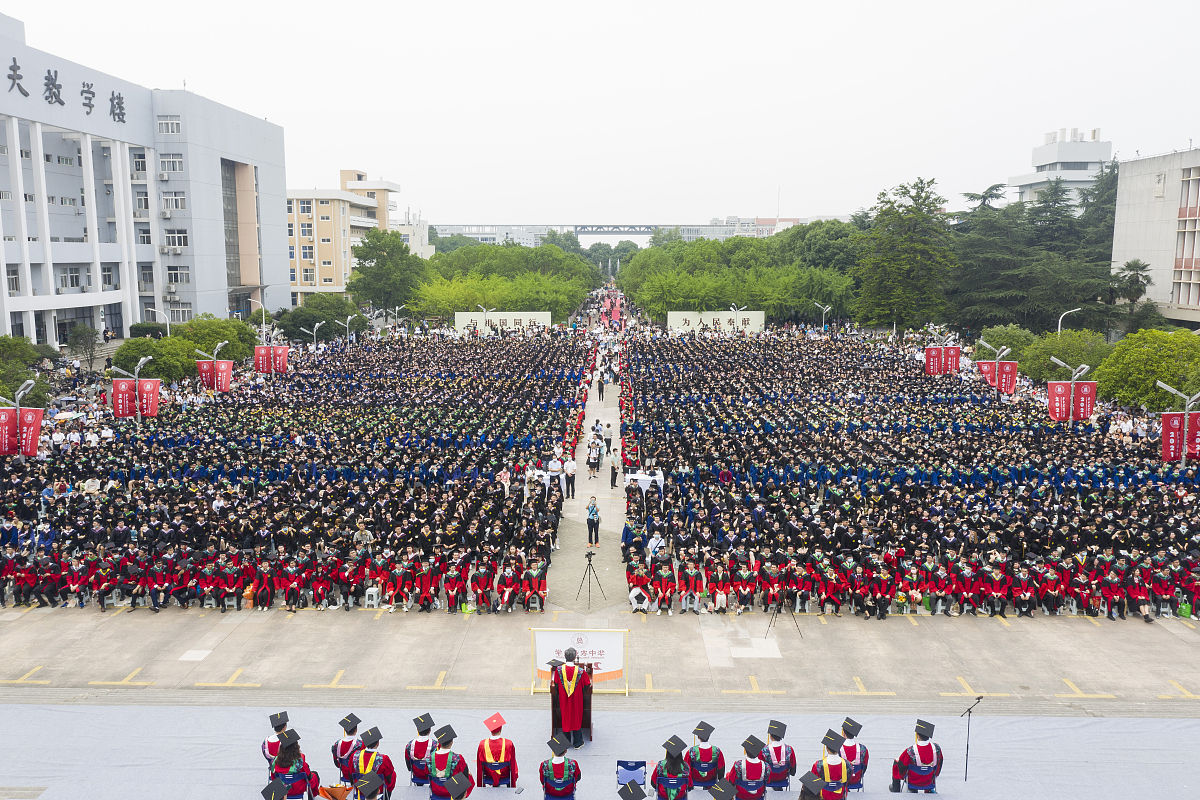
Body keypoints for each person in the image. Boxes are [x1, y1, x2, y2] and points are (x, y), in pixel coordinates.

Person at [552, 648, 591, 748]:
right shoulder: (581, 672)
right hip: (577, 700)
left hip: (564, 699)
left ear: (565, 657)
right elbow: (587, 684)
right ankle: (578, 743)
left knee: (565, 718)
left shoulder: (558, 670)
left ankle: (565, 743)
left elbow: (556, 683)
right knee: (576, 718)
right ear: (574, 657)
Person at [890, 720, 942, 794]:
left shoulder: (910, 751)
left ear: (917, 736)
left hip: (913, 781)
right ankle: (928, 789)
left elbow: (902, 769)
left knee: (897, 762)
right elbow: (938, 766)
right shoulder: (937, 749)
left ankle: (896, 787)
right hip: (929, 780)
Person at [269, 729, 320, 799]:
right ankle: (311, 797)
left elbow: (273, 778)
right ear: (296, 747)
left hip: (283, 791)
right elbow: (309, 778)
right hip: (299, 790)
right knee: (315, 775)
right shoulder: (300, 762)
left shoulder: (276, 762)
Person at [428, 725, 474, 800]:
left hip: (436, 792)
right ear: (452, 742)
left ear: (439, 742)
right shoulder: (458, 758)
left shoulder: (429, 758)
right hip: (453, 794)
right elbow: (465, 778)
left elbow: (427, 773)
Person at [352, 727, 398, 799]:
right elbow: (388, 779)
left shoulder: (355, 755)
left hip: (360, 789)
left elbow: (351, 774)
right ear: (378, 743)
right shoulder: (383, 758)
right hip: (376, 791)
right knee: (393, 774)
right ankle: (386, 797)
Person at [476, 712, 518, 787]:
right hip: (504, 776)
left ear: (490, 730)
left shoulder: (482, 744)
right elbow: (512, 764)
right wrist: (514, 779)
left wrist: (479, 782)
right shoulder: (509, 744)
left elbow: (479, 765)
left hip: (488, 776)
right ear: (501, 729)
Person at [801, 730, 847, 800]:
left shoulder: (818, 765)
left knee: (806, 783)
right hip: (840, 795)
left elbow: (813, 784)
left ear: (827, 748)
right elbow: (847, 781)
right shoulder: (847, 764)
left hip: (823, 796)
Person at [539, 735, 582, 800]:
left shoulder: (544, 764)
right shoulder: (573, 763)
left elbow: (542, 781)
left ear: (553, 751)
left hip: (551, 794)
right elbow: (577, 778)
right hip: (568, 793)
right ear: (565, 751)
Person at [650, 736, 693, 800]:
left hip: (663, 796)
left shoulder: (660, 765)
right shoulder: (685, 766)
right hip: (680, 797)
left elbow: (653, 783)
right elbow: (689, 786)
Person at [686, 721, 725, 789]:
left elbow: (686, 767)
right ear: (709, 736)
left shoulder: (691, 751)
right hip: (711, 779)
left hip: (695, 779)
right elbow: (721, 767)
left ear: (698, 737)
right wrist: (720, 778)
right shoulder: (717, 751)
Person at [331, 712, 363, 785]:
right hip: (358, 775)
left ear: (345, 730)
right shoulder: (361, 744)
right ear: (356, 729)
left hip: (345, 773)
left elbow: (337, 763)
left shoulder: (337, 744)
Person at [763, 720, 795, 790]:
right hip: (783, 776)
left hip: (769, 777)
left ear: (771, 736)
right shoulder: (789, 749)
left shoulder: (764, 750)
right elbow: (793, 765)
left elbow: (761, 765)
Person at [837, 718, 868, 792]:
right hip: (856, 779)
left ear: (843, 733)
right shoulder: (863, 749)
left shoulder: (837, 748)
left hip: (842, 781)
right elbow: (864, 767)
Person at [406, 713, 437, 786]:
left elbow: (408, 760)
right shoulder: (435, 744)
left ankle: (419, 782)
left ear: (417, 730)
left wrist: (410, 769)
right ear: (430, 730)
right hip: (430, 773)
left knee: (418, 767)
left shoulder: (409, 744)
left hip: (416, 773)